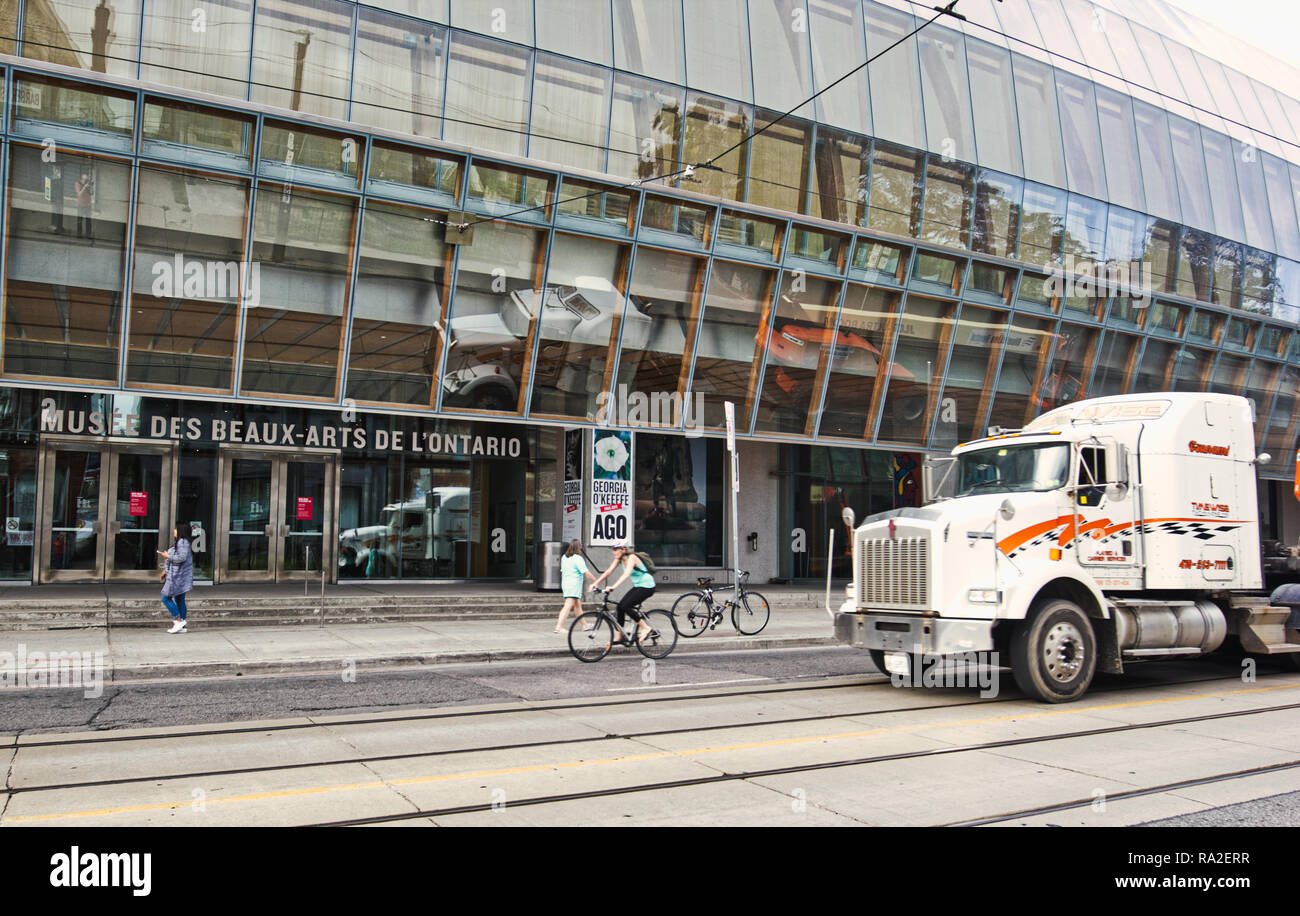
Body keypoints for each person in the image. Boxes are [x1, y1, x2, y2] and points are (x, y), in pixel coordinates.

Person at [589, 541, 656, 644]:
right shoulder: (619, 559)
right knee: (619, 607)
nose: (613, 552)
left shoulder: (632, 557)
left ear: (623, 550)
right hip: (638, 586)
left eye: (616, 549)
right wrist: (596, 583)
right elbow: (608, 572)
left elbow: (626, 574)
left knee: (626, 606)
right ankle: (620, 635)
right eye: (613, 549)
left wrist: (613, 587)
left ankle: (645, 628)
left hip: (647, 586)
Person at [157, 525, 195, 633]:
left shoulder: (182, 542)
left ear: (180, 531)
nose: (174, 530)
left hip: (178, 577)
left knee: (165, 598)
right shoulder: (181, 542)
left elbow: (181, 558)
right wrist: (165, 570)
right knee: (179, 600)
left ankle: (178, 620)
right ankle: (182, 626)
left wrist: (167, 556)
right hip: (179, 576)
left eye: (176, 529)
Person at [554, 539, 597, 633]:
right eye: (580, 547)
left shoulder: (564, 557)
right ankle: (559, 627)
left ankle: (584, 625)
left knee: (577, 606)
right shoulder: (578, 558)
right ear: (578, 547)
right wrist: (595, 580)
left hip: (566, 584)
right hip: (574, 585)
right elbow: (585, 572)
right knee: (568, 606)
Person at [75, 172, 94, 239]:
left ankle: (88, 234)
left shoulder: (88, 183)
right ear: (81, 179)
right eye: (84, 179)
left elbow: (91, 193)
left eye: (87, 179)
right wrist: (84, 187)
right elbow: (79, 194)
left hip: (88, 204)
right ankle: (79, 234)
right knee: (79, 220)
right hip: (80, 205)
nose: (86, 181)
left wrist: (90, 186)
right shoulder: (77, 183)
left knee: (88, 221)